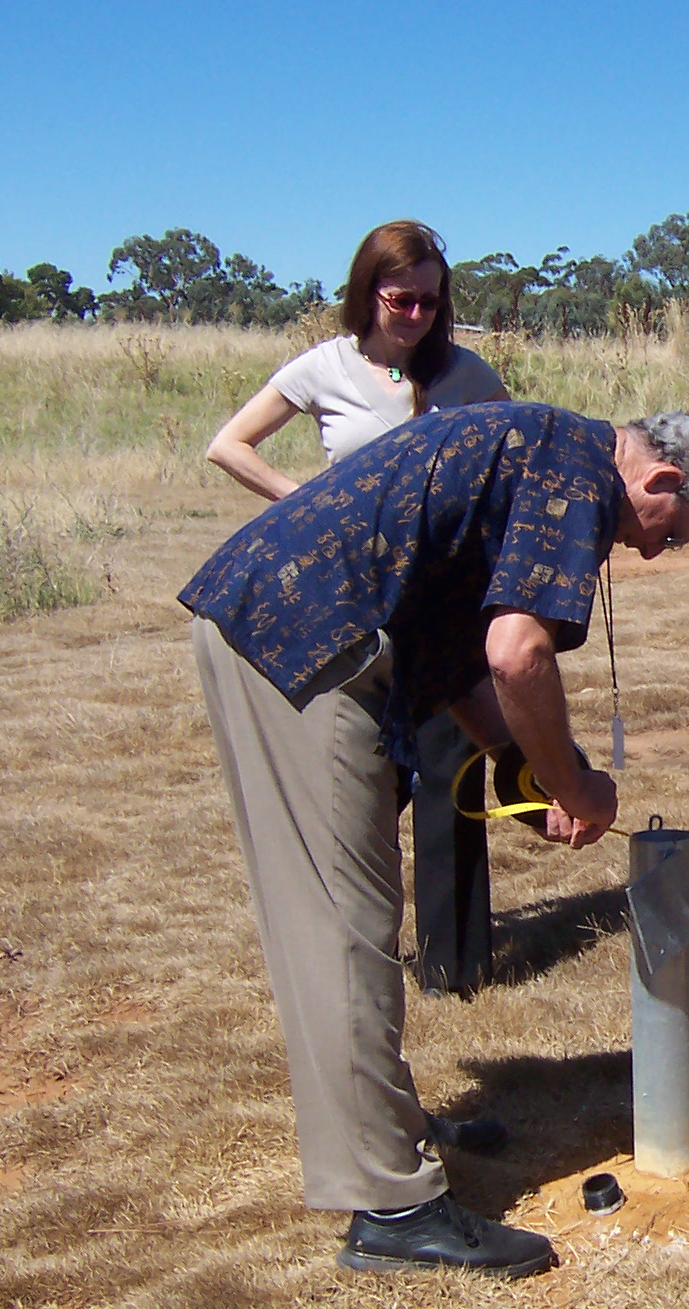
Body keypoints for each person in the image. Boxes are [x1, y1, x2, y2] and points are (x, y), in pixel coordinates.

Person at [180, 403, 689, 1276]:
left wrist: (528, 768)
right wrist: (572, 781)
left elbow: (461, 664)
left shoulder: (552, 453)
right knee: (342, 928)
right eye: (672, 533)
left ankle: (387, 1125)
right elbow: (518, 654)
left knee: (357, 912)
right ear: (660, 480)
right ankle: (391, 1208)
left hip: (314, 633)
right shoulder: (577, 478)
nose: (653, 552)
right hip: (299, 642)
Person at [204, 220, 511, 996]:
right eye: (403, 299)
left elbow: (510, 456)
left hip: (443, 598)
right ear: (367, 292)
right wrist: (306, 502)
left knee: (456, 767)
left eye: (433, 303)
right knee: (368, 784)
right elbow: (228, 444)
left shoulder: (468, 377)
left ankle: (457, 964)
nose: (417, 316)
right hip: (357, 607)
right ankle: (367, 955)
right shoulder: (323, 368)